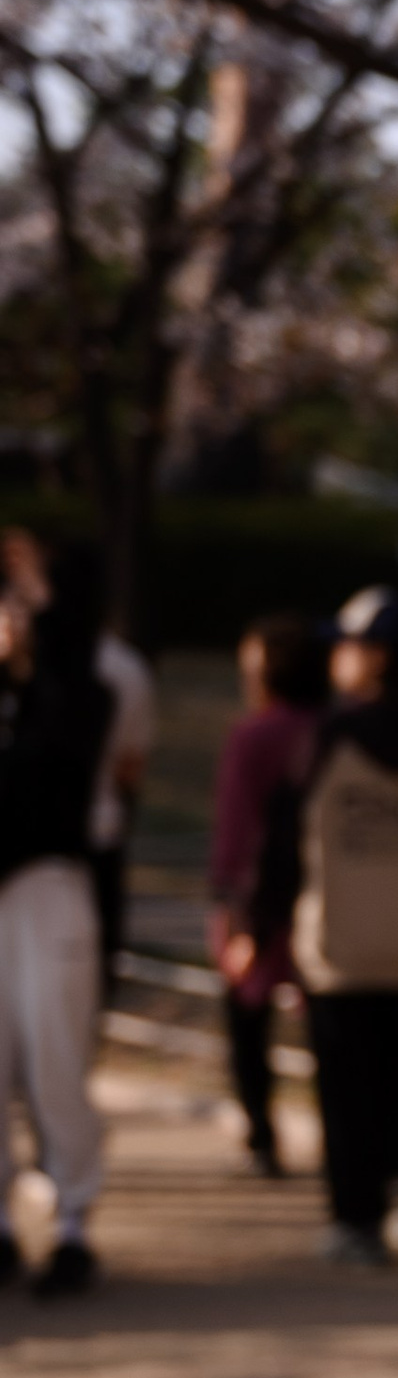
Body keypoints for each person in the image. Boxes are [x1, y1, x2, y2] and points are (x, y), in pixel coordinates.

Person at [250, 589, 398, 1262]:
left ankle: (357, 1218)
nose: (336, 658)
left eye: (347, 645)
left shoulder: (333, 736)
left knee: (347, 1095)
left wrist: (264, 924)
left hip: (341, 948)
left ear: (378, 658)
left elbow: (288, 839)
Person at [0, 548, 114, 1295]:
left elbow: (61, 754)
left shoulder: (82, 691)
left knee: (55, 1060)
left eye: (23, 602)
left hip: (50, 886)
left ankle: (73, 1221)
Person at [0, 531, 154, 978]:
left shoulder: (96, 677)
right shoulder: (116, 668)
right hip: (81, 845)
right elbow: (131, 769)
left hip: (66, 860)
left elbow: (123, 767)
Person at [209, 613, 327, 1175]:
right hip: (326, 901)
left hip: (259, 903)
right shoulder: (334, 727)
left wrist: (234, 913)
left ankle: (261, 1135)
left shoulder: (254, 736)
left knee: (248, 1024)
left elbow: (237, 832)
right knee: (328, 1028)